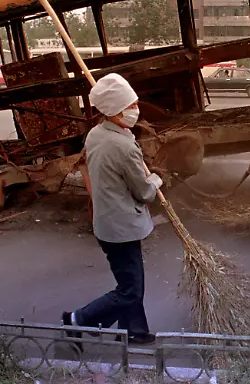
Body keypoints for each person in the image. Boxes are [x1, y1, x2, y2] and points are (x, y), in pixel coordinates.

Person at [62, 73, 162, 345]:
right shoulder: (123, 147)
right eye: (130, 106)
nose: (135, 110)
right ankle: (77, 320)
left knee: (131, 283)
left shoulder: (97, 133)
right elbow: (143, 192)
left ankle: (134, 332)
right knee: (130, 289)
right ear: (115, 112)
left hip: (107, 223)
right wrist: (155, 179)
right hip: (122, 228)